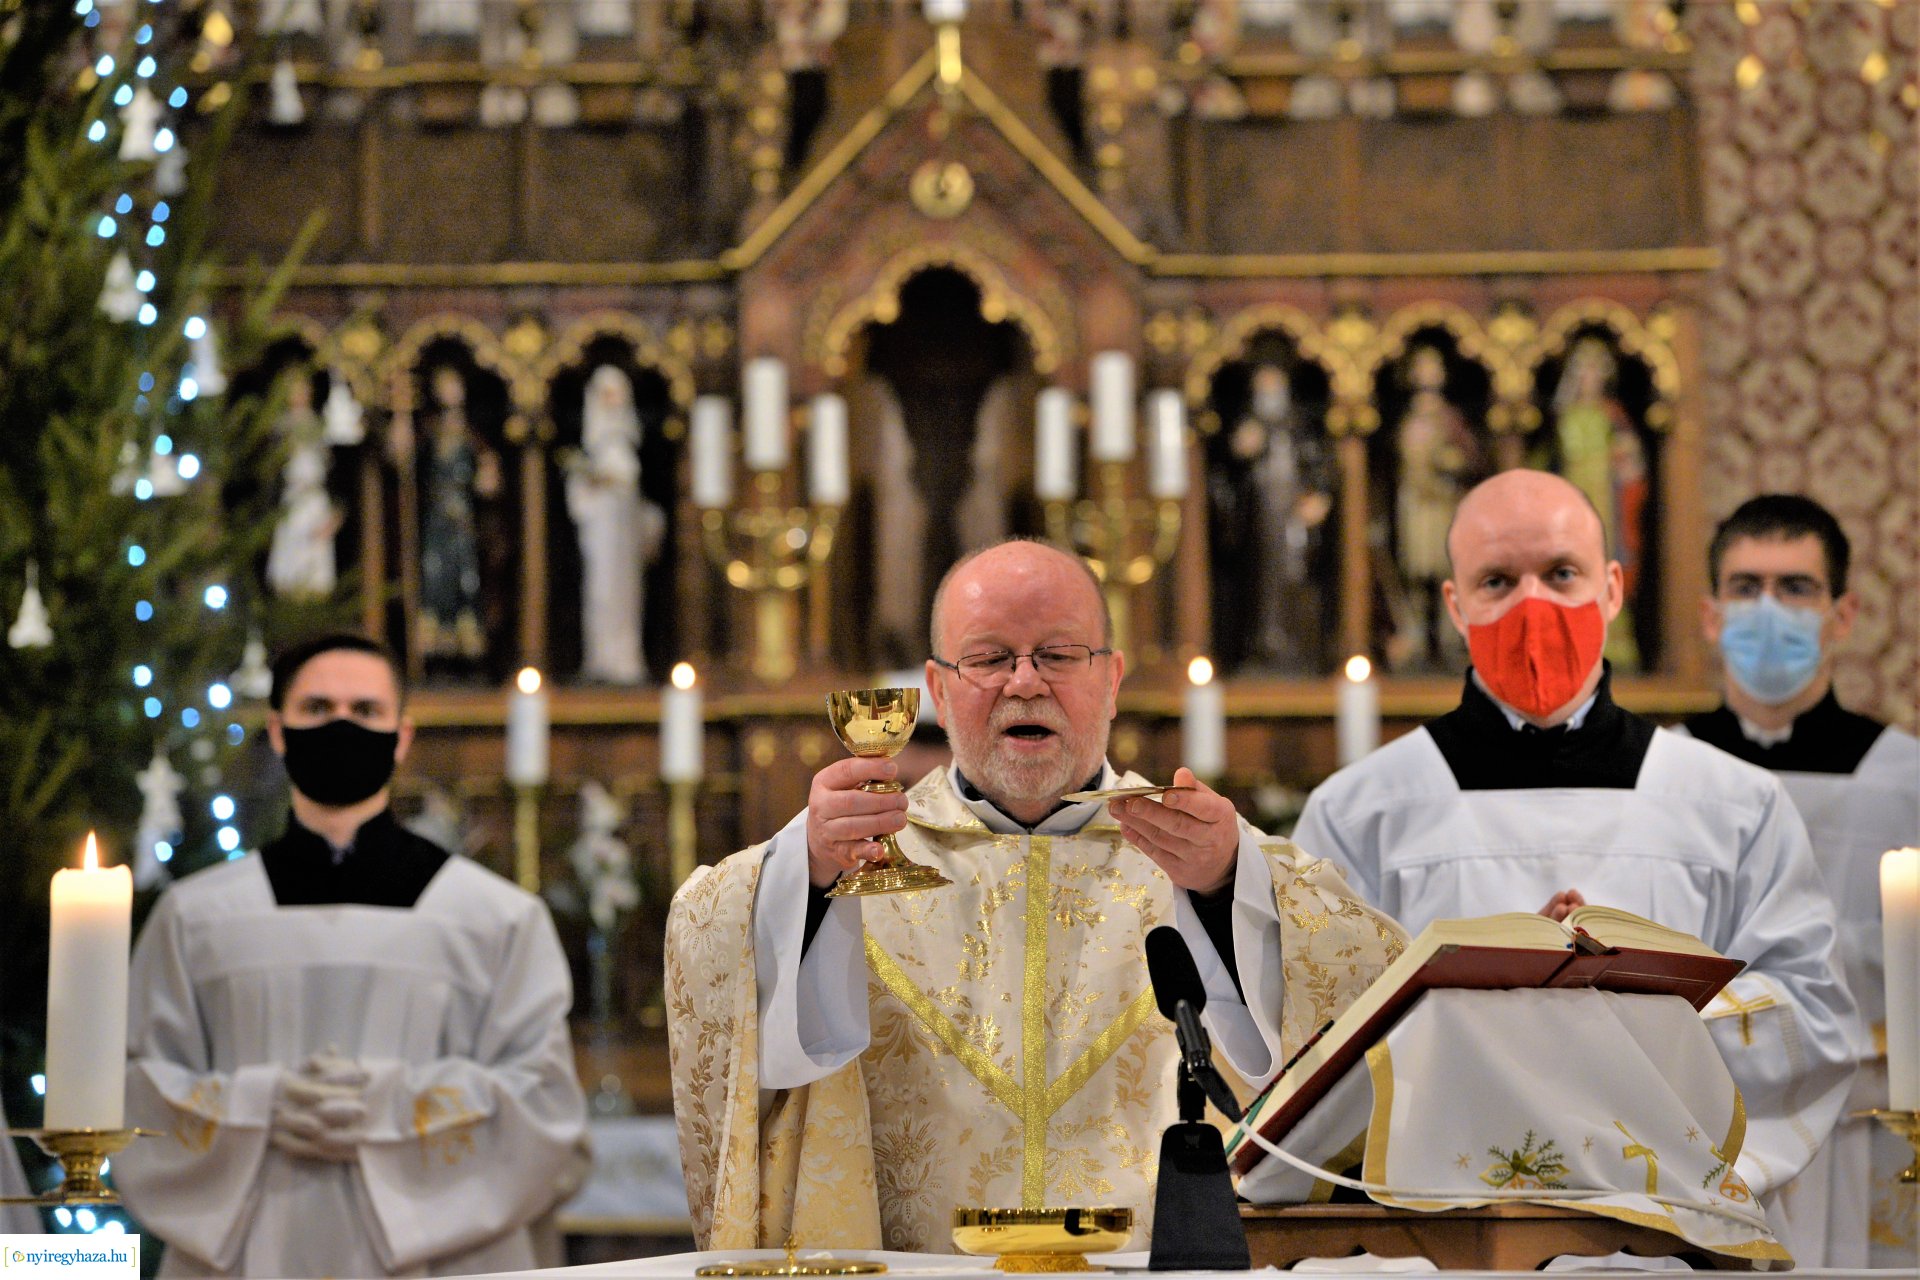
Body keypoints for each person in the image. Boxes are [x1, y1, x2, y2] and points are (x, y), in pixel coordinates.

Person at [666, 539, 1407, 1252]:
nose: (1025, 682)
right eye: (989, 658)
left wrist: (1227, 889)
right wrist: (806, 870)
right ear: (938, 688)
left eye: (1057, 655)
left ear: (1111, 679)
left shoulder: (1199, 850)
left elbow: (1371, 991)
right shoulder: (856, 856)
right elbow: (709, 942)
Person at [1292, 469, 1861, 1208]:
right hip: (1447, 1232)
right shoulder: (1362, 810)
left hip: (1669, 1225)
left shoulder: (1732, 804)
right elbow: (1312, 1037)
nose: (1534, 606)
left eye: (1562, 574)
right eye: (1498, 581)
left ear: (1613, 589)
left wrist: (1630, 997)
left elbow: (1810, 1016)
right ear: (1456, 604)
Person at [117, 634, 588, 1278]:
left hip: (441, 1260)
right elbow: (140, 1092)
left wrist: (394, 1105)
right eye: (317, 708)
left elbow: (546, 1107)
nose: (341, 725)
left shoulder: (495, 918)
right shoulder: (197, 918)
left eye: (365, 711)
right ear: (278, 732)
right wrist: (261, 1105)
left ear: (401, 737)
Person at [1679, 494, 1919, 1267]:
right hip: (1706, 1132)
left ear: (1841, 615)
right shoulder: (1664, 775)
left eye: (1796, 588)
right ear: (1712, 615)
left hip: (1872, 1127)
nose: (1769, 609)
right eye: (1746, 587)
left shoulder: (1906, 781)